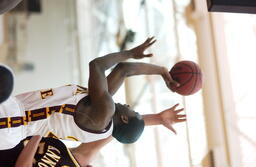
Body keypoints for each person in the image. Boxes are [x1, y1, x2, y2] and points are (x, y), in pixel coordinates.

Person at [0, 37, 180, 150]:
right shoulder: (102, 116)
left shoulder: (105, 110)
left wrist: (131, 52)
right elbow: (124, 70)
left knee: (4, 77)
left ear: (124, 119)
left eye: (132, 111)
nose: (128, 106)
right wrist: (162, 71)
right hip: (12, 122)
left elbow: (97, 65)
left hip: (11, 120)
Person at [0, 103, 185, 167]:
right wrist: (157, 119)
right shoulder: (79, 160)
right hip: (11, 125)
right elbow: (118, 130)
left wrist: (37, 134)